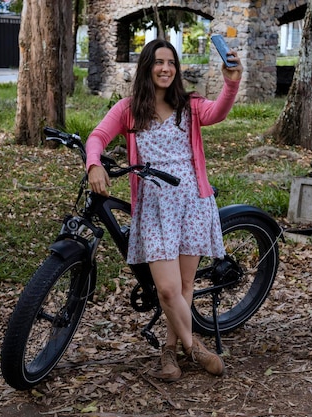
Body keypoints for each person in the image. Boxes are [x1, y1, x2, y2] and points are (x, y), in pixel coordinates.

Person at [85, 38, 243, 382]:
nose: (166, 68)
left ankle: (169, 352)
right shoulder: (128, 109)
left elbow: (218, 112)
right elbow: (97, 137)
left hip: (193, 203)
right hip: (155, 208)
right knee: (168, 290)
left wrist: (231, 81)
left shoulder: (189, 106)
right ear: (147, 66)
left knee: (185, 285)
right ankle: (195, 348)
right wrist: (94, 164)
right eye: (158, 62)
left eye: (171, 63)